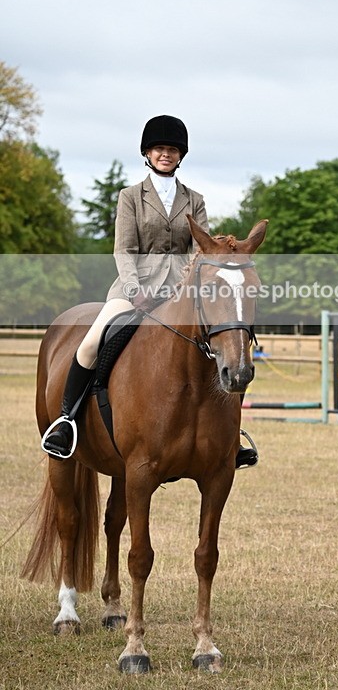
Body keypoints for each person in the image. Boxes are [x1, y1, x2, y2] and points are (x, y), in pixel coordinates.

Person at [41, 115, 258, 469]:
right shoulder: (130, 197)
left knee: (228, 343)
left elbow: (199, 248)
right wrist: (133, 289)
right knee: (92, 341)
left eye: (172, 149)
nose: (165, 154)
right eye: (159, 148)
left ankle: (231, 439)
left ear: (180, 155)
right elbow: (124, 249)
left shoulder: (195, 199)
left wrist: (189, 286)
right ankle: (66, 421)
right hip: (134, 289)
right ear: (147, 153)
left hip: (182, 293)